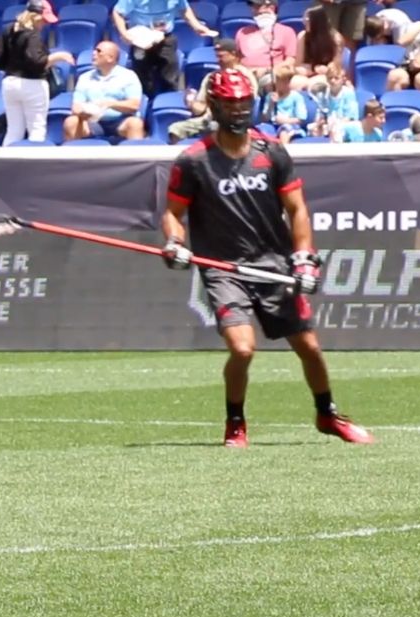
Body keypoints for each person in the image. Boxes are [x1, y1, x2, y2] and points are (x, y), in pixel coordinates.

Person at [161, 68, 375, 448]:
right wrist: (175, 244)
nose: (239, 110)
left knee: (309, 347)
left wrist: (304, 257)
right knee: (242, 349)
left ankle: (327, 414)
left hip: (273, 265)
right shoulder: (193, 161)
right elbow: (173, 214)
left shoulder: (271, 151)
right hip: (223, 270)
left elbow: (297, 209)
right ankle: (235, 423)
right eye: (230, 103)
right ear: (215, 106)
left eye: (244, 103)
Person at [0, 0, 74, 145]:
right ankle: (36, 166)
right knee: (37, 128)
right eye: (43, 20)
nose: (44, 24)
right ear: (36, 17)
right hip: (32, 84)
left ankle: (6, 164)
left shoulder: (7, 31)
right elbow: (37, 62)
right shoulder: (32, 35)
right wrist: (59, 56)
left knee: (14, 130)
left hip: (9, 82)